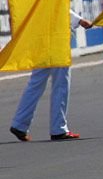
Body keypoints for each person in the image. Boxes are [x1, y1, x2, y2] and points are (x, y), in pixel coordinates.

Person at [9, 10, 93, 142]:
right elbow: (58, 3)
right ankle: (58, 128)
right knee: (61, 83)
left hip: (40, 36)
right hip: (56, 36)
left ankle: (19, 123)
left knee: (36, 83)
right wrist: (79, 20)